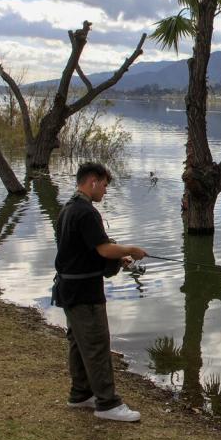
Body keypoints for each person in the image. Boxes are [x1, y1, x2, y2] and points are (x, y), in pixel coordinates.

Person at [53, 162, 147, 422]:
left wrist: (118, 260)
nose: (105, 191)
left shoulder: (68, 209)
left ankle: (80, 394)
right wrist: (130, 250)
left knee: (78, 343)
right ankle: (107, 404)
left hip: (69, 289)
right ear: (92, 181)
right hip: (84, 292)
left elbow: (85, 251)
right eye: (104, 185)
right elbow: (104, 249)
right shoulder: (86, 212)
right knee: (95, 344)